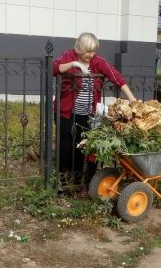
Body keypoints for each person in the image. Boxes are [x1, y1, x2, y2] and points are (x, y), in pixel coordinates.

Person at [53, 32, 137, 186]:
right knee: (65, 149)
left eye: (94, 51)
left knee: (81, 147)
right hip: (65, 112)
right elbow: (54, 68)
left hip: (87, 114)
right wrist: (74, 65)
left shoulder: (98, 62)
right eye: (88, 51)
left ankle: (77, 183)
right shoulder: (68, 55)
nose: (91, 55)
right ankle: (62, 184)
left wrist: (132, 99)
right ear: (79, 49)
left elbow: (116, 77)